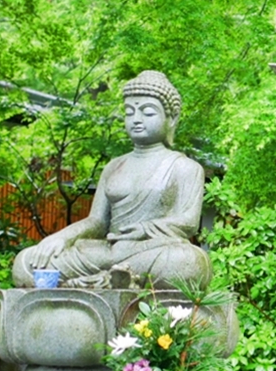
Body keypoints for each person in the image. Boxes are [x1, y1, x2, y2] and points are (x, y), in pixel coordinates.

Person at [12, 70, 211, 289]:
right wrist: (62, 237)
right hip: (106, 252)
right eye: (129, 112)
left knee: (189, 262)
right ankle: (111, 278)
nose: (136, 119)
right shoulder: (114, 166)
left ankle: (102, 280)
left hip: (150, 252)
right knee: (26, 262)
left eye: (147, 112)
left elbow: (189, 223)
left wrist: (145, 229)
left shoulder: (185, 167)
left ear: (171, 119)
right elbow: (97, 221)